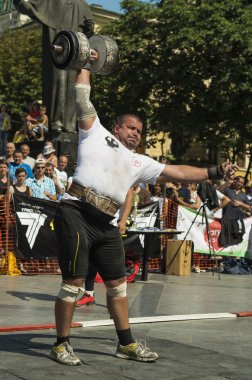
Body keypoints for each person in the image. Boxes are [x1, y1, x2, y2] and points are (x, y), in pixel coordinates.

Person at [49, 65, 238, 366]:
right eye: (130, 127)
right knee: (73, 282)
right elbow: (83, 97)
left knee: (117, 285)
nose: (136, 133)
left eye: (139, 130)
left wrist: (213, 171)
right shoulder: (94, 133)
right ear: (117, 127)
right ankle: (61, 344)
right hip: (75, 211)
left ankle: (125, 344)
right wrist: (84, 63)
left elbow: (177, 171)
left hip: (106, 223)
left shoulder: (140, 162)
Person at [13, 0, 94, 133]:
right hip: (58, 51)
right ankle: (55, 123)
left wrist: (89, 28)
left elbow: (89, 28)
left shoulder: (81, 3)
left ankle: (69, 124)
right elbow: (29, 7)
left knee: (73, 86)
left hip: (75, 53)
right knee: (58, 82)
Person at [219, 176, 251, 246]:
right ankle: (227, 257)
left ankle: (232, 257)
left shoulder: (244, 195)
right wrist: (227, 182)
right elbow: (218, 191)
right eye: (239, 182)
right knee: (225, 242)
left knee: (237, 242)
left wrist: (241, 204)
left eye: (242, 183)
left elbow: (249, 208)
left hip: (238, 222)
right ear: (235, 181)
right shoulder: (227, 190)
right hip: (227, 220)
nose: (240, 184)